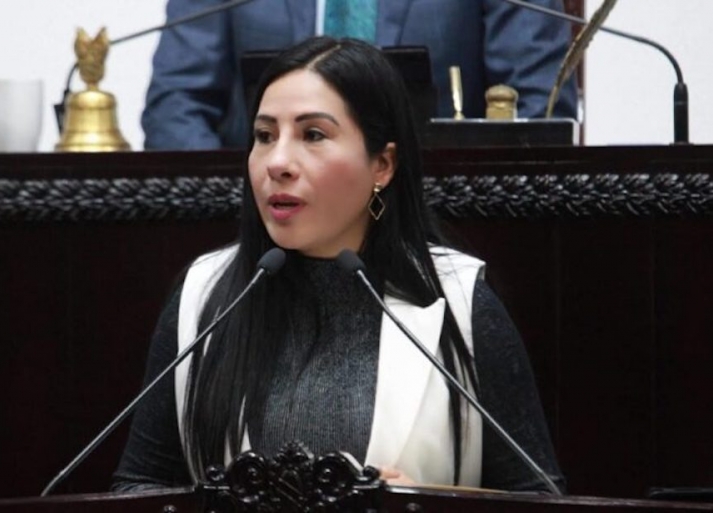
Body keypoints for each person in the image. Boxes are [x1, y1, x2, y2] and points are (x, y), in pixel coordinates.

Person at [114, 36, 565, 492]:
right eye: (264, 136)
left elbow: (540, 497)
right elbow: (138, 487)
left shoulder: (460, 303)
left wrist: (427, 504)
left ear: (382, 164)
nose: (278, 162)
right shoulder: (203, 297)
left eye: (313, 135)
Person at [142, 0, 579, 150]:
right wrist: (246, 208)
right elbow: (176, 106)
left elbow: (539, 110)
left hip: (448, 236)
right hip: (266, 241)